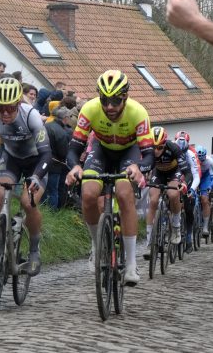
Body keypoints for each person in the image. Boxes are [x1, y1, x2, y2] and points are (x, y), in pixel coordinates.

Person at [64, 70, 152, 285]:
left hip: (129, 152)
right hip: (101, 150)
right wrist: (75, 167)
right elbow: (74, 147)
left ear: (125, 97)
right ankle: (97, 246)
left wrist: (139, 167)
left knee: (124, 194)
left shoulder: (138, 112)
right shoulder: (90, 109)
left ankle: (131, 264)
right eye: (104, 100)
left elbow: (149, 154)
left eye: (115, 101)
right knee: (88, 194)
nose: (110, 107)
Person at [0, 77, 49, 275]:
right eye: (1, 108)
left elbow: (47, 154)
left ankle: (34, 251)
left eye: (10, 108)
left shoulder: (31, 116)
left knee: (27, 202)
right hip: (11, 158)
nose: (5, 113)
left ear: (18, 104)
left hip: (36, 161)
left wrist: (36, 177)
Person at [143, 126, 192, 259]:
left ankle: (176, 227)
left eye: (160, 147)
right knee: (153, 200)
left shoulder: (174, 148)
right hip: (158, 173)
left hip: (173, 173)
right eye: (154, 147)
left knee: (173, 194)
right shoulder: (147, 149)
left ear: (165, 144)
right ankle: (149, 242)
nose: (156, 151)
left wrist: (184, 184)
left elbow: (188, 172)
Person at [44, 104, 72, 211]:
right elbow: (63, 153)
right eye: (69, 117)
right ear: (65, 118)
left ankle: (41, 209)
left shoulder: (46, 125)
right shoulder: (62, 132)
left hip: (43, 162)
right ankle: (52, 213)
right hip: (55, 165)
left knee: (43, 188)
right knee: (53, 190)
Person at [195, 145, 213, 237]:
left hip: (205, 178)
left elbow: (212, 178)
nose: (201, 162)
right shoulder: (192, 159)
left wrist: (210, 186)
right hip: (195, 175)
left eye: (202, 160)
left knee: (204, 199)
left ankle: (205, 226)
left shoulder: (210, 161)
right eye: (199, 159)